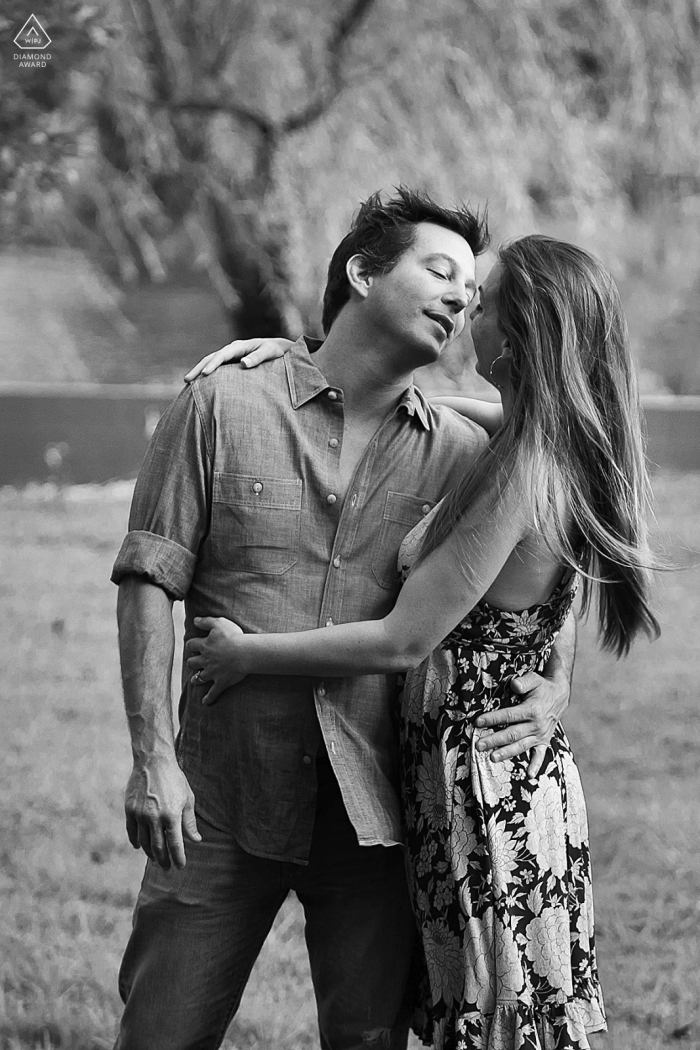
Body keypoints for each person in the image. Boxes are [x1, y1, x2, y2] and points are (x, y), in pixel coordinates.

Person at [111, 190, 576, 1050]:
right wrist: (151, 759)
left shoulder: (465, 452)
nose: (461, 299)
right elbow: (148, 578)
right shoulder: (223, 402)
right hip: (217, 803)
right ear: (362, 272)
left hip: (380, 816)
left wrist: (559, 675)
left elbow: (560, 509)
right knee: (160, 1035)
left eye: (473, 293)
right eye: (440, 271)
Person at [185, 235, 660, 1050]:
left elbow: (406, 639)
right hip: (474, 775)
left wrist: (246, 654)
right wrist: (296, 362)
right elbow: (556, 587)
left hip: (483, 791)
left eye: (485, 296)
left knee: (500, 1020)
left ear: (520, 330)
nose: (466, 307)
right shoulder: (534, 437)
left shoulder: (528, 466)